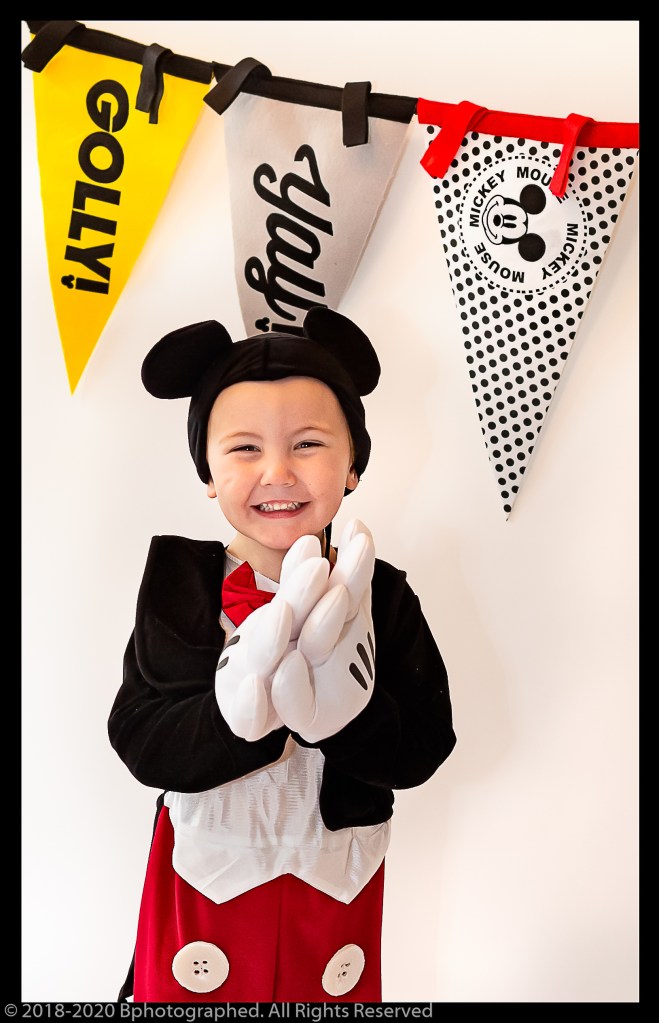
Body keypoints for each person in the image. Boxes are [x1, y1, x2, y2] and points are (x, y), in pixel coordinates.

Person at [108, 305, 456, 1003]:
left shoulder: (382, 596)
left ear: (352, 465)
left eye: (307, 443)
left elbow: (424, 744)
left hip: (335, 875)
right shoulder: (178, 589)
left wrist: (346, 719)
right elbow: (139, 737)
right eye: (244, 448)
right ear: (207, 471)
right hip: (205, 873)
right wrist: (228, 721)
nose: (277, 471)